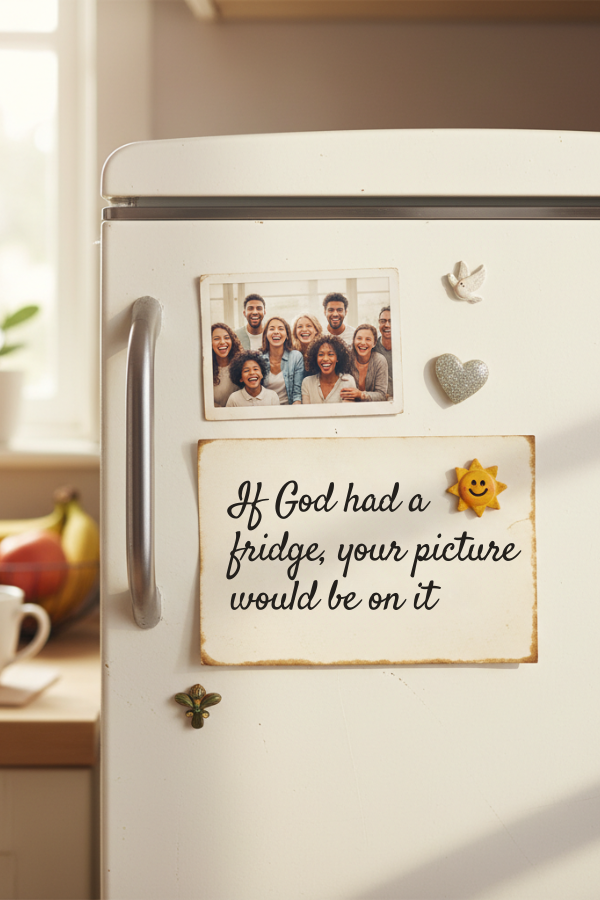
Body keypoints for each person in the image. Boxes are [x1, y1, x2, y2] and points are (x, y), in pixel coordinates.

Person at [260, 316, 305, 405]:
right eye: (272, 329)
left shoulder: (296, 357)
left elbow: (297, 395)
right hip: (265, 409)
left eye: (281, 329)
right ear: (266, 334)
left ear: (287, 335)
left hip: (289, 409)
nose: (276, 332)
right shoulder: (259, 358)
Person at [301, 334, 357, 404]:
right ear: (315, 358)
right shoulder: (307, 383)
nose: (325, 359)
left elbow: (346, 412)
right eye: (321, 355)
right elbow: (307, 413)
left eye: (330, 354)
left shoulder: (348, 381)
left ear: (338, 358)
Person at [342, 324, 388, 402]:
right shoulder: (347, 358)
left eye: (368, 339)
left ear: (374, 343)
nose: (363, 342)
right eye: (359, 338)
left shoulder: (380, 360)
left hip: (372, 407)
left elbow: (381, 395)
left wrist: (361, 394)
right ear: (354, 340)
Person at [211, 323, 242, 407]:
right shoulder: (207, 369)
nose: (222, 342)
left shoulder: (241, 366)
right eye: (216, 338)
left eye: (226, 338)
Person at [374, 306, 393, 398]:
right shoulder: (373, 349)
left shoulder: (405, 348)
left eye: (391, 321)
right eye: (383, 321)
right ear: (379, 323)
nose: (387, 325)